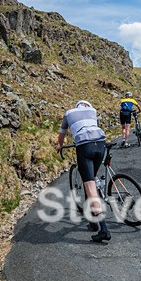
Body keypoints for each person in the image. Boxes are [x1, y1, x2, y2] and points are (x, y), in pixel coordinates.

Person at [56, 100, 111, 242]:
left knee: (90, 186)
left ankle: (104, 229)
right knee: (91, 179)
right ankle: (92, 220)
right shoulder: (92, 111)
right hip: (100, 145)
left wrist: (60, 146)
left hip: (84, 146)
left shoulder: (69, 113)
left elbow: (62, 134)